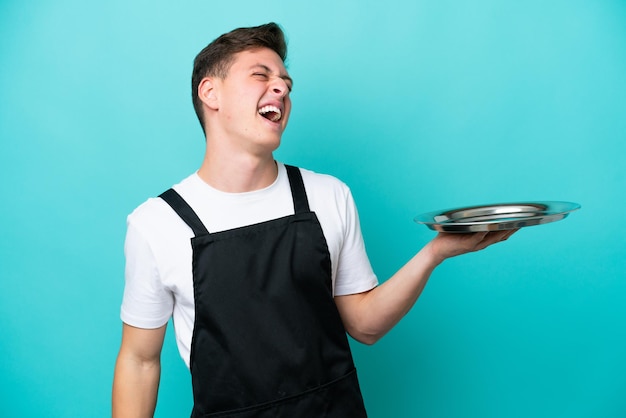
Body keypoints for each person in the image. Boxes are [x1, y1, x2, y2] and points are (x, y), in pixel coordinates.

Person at [112, 22, 515, 417]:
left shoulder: (326, 195)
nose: (282, 88)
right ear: (210, 92)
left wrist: (436, 252)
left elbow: (365, 325)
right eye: (261, 75)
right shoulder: (159, 224)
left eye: (286, 81)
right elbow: (140, 361)